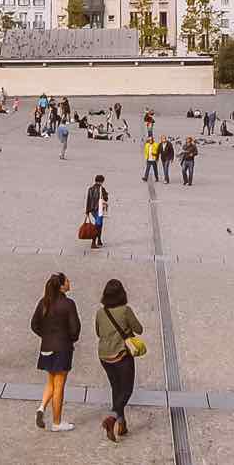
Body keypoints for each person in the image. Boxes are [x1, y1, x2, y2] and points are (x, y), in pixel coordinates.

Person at [95, 278, 143, 442]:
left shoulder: (101, 312)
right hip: (121, 355)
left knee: (116, 388)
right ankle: (113, 417)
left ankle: (121, 425)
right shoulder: (125, 310)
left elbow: (98, 332)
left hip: (104, 356)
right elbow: (139, 329)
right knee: (127, 390)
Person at [31, 271, 80, 431]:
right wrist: (70, 339)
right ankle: (57, 422)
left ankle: (41, 407)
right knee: (59, 385)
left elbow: (34, 324)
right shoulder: (68, 304)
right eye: (67, 280)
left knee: (50, 381)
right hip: (62, 349)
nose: (69, 282)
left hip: (46, 347)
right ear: (61, 286)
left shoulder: (43, 302)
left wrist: (45, 336)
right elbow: (75, 329)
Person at [85, 176, 108, 250]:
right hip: (99, 210)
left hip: (92, 210)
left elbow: (88, 200)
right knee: (98, 225)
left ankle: (99, 240)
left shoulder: (90, 189)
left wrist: (87, 211)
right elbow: (106, 199)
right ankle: (94, 242)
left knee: (99, 224)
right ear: (101, 181)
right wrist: (106, 194)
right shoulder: (102, 189)